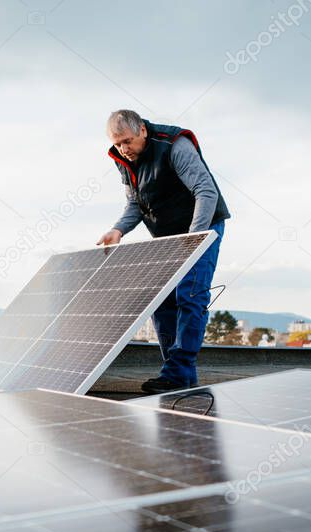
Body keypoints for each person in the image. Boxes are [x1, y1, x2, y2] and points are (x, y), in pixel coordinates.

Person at [97, 109, 230, 394]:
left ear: (142, 130)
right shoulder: (124, 159)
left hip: (203, 227)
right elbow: (135, 204)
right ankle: (179, 374)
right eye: (118, 143)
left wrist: (194, 240)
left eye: (128, 141)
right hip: (168, 237)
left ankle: (177, 372)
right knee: (162, 300)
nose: (123, 149)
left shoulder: (175, 145)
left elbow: (206, 192)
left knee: (190, 296)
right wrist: (118, 230)